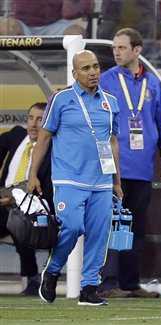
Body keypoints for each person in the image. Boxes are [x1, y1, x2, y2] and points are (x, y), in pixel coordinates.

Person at [28, 50, 122, 306]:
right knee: (72, 226)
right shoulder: (60, 99)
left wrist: (117, 181)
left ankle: (89, 288)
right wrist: (32, 174)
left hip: (101, 180)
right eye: (86, 68)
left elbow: (112, 143)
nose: (93, 72)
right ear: (75, 73)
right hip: (68, 178)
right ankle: (54, 268)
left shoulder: (111, 102)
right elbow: (44, 138)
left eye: (95, 67)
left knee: (99, 234)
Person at [98, 27, 161, 299]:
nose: (116, 52)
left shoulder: (152, 84)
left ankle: (129, 283)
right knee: (111, 224)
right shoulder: (106, 80)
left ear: (137, 50)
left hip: (142, 168)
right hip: (114, 167)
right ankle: (107, 283)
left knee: (135, 226)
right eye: (114, 48)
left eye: (121, 47)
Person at [0, 103, 52, 296]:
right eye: (31, 118)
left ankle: (32, 278)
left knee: (20, 221)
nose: (33, 124)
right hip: (4, 198)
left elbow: (45, 187)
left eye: (40, 120)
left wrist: (13, 200)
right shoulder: (16, 135)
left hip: (33, 204)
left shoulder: (52, 147)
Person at [0, 0, 91, 36]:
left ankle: (71, 72)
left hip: (55, 25)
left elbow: (77, 9)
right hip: (22, 24)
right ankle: (18, 63)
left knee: (77, 34)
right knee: (5, 27)